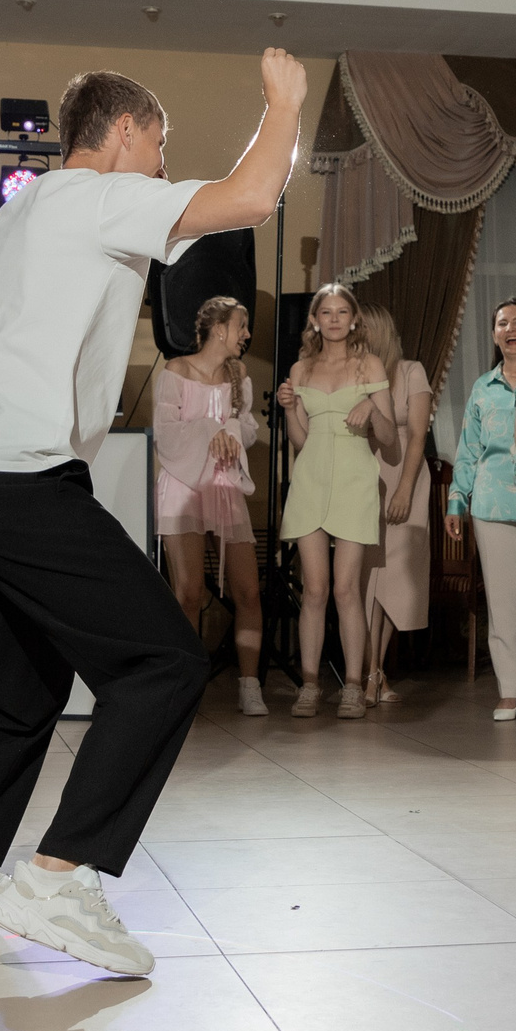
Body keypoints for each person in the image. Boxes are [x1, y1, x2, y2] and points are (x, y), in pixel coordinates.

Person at [0, 51, 304, 981]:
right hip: (17, 477)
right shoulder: (97, 196)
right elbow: (250, 198)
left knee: (27, 681)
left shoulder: (24, 208)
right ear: (122, 131)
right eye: (158, 143)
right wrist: (284, 105)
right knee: (163, 663)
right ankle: (59, 877)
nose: (162, 164)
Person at [277, 283, 397, 717]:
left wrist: (373, 411)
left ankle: (353, 686)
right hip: (310, 480)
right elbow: (300, 441)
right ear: (314, 320)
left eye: (341, 312)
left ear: (353, 319)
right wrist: (289, 409)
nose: (333, 319)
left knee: (347, 590)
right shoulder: (301, 369)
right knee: (314, 589)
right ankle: (309, 685)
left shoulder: (369, 365)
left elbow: (391, 440)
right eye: (325, 312)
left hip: (354, 481)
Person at [155, 295, 265, 716]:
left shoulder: (239, 375)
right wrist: (209, 430)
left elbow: (249, 429)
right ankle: (186, 688)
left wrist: (231, 430)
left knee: (248, 590)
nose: (247, 334)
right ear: (219, 330)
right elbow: (166, 433)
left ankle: (250, 685)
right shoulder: (176, 370)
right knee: (188, 592)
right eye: (241, 326)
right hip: (184, 484)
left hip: (224, 485)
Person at [446, 299, 516, 719]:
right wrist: (456, 499)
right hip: (490, 503)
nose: (510, 329)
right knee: (503, 604)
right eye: (502, 323)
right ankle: (511, 689)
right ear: (495, 334)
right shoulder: (483, 387)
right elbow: (468, 450)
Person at [359, 304, 434, 709]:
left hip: (406, 476)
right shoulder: (355, 373)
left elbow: (418, 436)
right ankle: (373, 672)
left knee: (394, 581)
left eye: (363, 327)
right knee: (367, 578)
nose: (357, 334)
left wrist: (404, 489)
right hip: (364, 478)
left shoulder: (411, 371)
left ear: (381, 330)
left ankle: (374, 669)